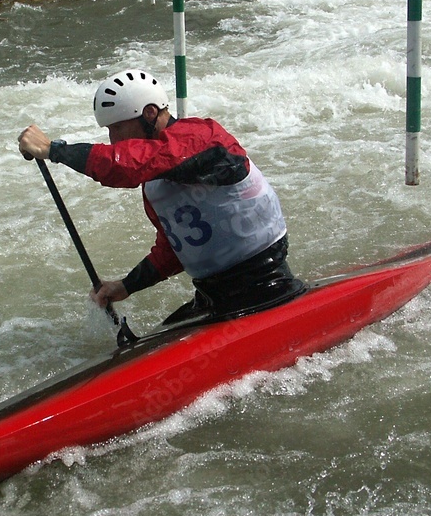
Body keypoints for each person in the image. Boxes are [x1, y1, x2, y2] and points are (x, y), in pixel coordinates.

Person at [18, 69, 303, 328]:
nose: (113, 139)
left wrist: (54, 150)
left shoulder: (201, 137)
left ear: (150, 113)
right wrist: (126, 286)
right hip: (215, 295)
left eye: (116, 128)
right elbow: (178, 247)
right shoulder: (157, 179)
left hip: (267, 283)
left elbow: (124, 165)